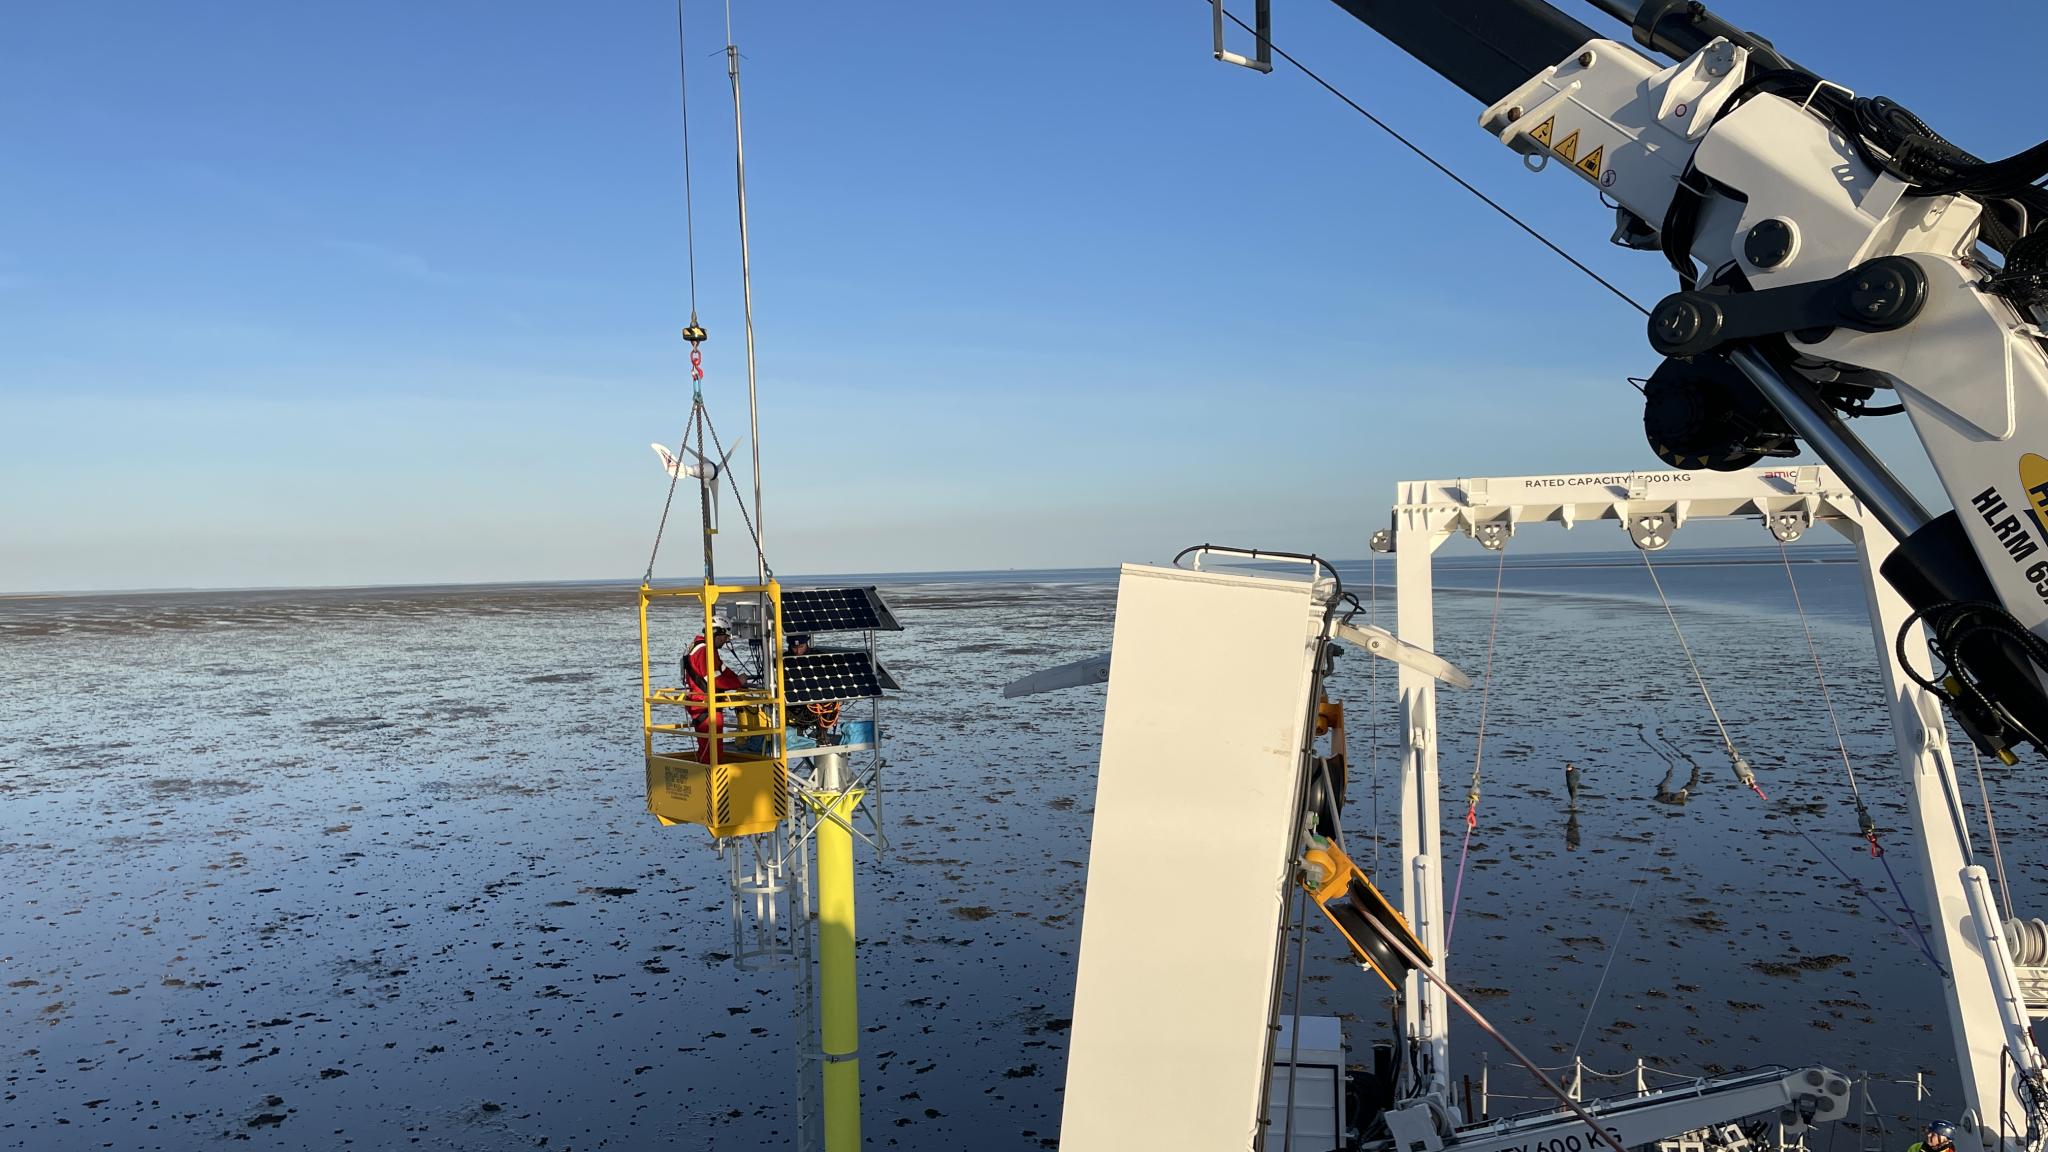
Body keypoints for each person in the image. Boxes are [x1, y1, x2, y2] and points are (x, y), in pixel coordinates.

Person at [684, 616, 749, 761]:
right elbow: (715, 680)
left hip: (704, 705)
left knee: (709, 748)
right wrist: (737, 682)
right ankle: (711, 780)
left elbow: (722, 670)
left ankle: (707, 778)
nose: (725, 641)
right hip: (706, 706)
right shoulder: (704, 651)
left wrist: (737, 679)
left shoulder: (704, 648)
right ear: (716, 633)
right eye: (724, 637)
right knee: (712, 752)